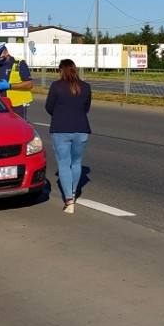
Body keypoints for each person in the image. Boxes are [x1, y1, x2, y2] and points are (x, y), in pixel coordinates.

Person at [45, 59, 91, 214]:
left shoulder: (56, 86)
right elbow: (86, 108)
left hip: (60, 129)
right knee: (76, 163)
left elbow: (49, 107)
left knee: (64, 164)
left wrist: (59, 115)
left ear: (61, 70)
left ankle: (69, 202)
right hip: (81, 128)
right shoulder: (85, 87)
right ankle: (72, 193)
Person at [0, 41, 33, 120]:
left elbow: (29, 84)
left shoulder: (19, 64)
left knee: (18, 127)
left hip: (18, 104)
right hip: (2, 104)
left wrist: (9, 86)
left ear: (6, 52)